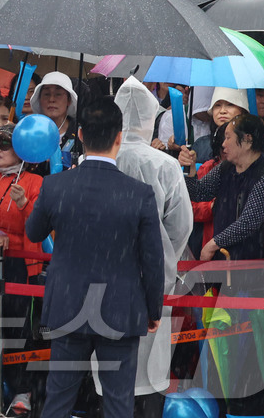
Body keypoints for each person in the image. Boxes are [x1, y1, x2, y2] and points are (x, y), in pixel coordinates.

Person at [26, 96, 165, 418]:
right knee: (118, 402)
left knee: (58, 399)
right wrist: (153, 308)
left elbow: (34, 233)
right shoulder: (139, 193)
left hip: (68, 304)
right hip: (120, 307)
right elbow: (152, 260)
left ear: (82, 135)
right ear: (119, 136)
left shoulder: (56, 186)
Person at [105, 78, 193, 416]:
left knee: (109, 370)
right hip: (151, 279)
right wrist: (161, 254)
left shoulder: (96, 160)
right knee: (149, 367)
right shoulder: (164, 164)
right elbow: (180, 224)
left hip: (105, 276)